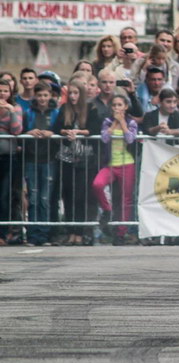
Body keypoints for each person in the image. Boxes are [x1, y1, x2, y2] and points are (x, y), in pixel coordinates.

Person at [52, 78, 102, 246]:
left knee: (81, 197)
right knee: (68, 196)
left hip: (85, 159)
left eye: (76, 93)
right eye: (70, 93)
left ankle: (79, 232)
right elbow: (56, 128)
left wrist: (79, 132)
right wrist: (66, 132)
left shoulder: (90, 109)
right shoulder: (64, 109)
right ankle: (70, 231)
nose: (73, 96)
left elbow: (95, 129)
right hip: (66, 158)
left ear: (81, 94)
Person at [93, 92, 138, 244]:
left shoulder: (131, 122)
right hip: (111, 164)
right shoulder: (107, 121)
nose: (117, 108)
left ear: (125, 107)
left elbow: (131, 139)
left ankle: (120, 233)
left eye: (120, 105)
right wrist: (114, 124)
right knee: (97, 184)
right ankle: (107, 210)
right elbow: (105, 138)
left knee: (125, 199)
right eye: (114, 105)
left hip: (127, 164)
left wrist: (123, 124)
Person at [21, 80, 59, 246]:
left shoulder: (56, 112)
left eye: (45, 95)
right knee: (34, 197)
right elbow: (20, 131)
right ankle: (32, 234)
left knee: (45, 199)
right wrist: (28, 132)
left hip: (49, 159)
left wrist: (53, 133)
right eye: (39, 95)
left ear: (50, 95)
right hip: (31, 159)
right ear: (35, 96)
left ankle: (44, 234)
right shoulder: (28, 113)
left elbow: (59, 130)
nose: (42, 98)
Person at [0, 79, 22, 245]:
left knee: (5, 196)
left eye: (5, 91)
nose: (2, 94)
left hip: (9, 158)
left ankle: (4, 233)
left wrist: (11, 112)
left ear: (10, 93)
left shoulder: (16, 108)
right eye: (0, 91)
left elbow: (16, 130)